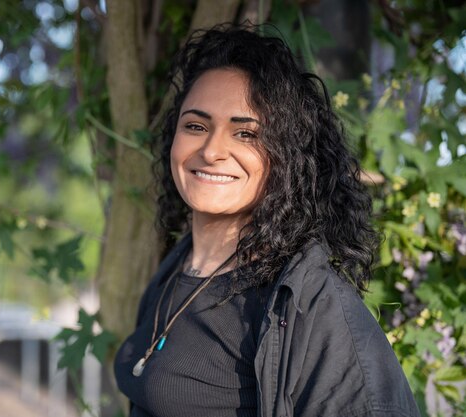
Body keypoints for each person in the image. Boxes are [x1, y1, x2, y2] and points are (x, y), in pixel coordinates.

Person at [114, 23, 420, 417]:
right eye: (195, 126)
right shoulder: (176, 267)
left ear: (286, 158)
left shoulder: (312, 307)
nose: (211, 151)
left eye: (245, 134)